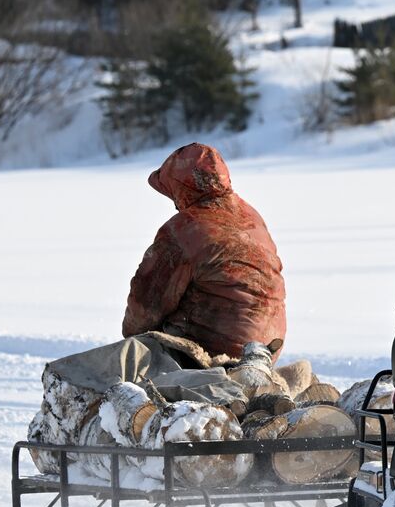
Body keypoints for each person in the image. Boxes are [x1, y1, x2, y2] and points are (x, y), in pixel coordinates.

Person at [122, 143, 286, 359]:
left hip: (211, 350)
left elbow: (146, 303)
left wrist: (131, 340)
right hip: (267, 347)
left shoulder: (185, 228)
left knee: (112, 364)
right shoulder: (251, 216)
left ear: (182, 187)